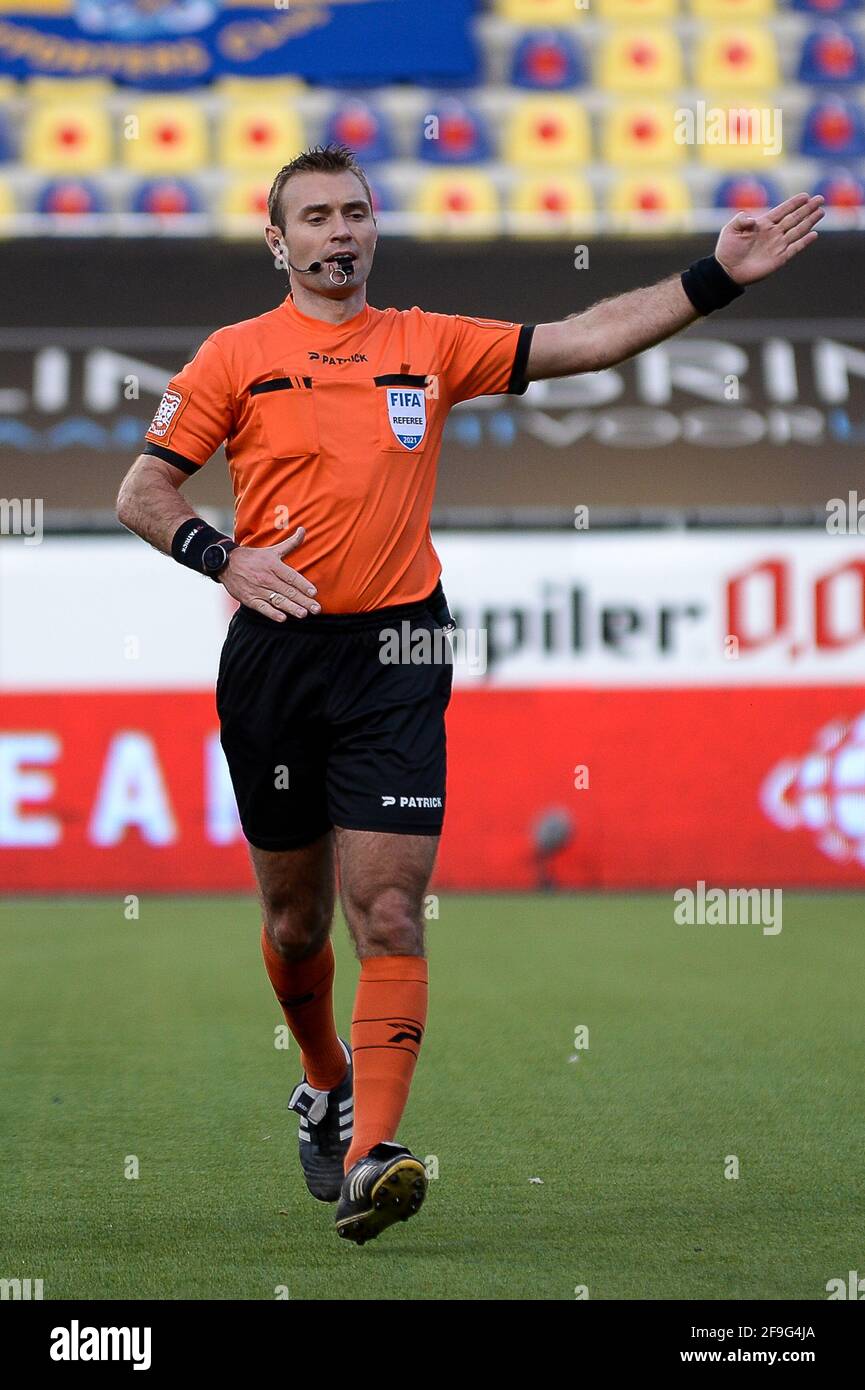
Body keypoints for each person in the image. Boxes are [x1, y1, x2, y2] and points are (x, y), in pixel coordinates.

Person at [116, 143, 824, 1244]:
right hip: (273, 652)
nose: (339, 231)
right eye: (315, 217)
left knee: (388, 909)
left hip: (398, 649)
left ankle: (373, 1156)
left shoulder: (427, 342)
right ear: (278, 241)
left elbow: (584, 341)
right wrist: (227, 559)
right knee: (294, 919)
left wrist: (714, 276)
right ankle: (322, 1083)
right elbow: (142, 489)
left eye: (355, 212)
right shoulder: (232, 356)